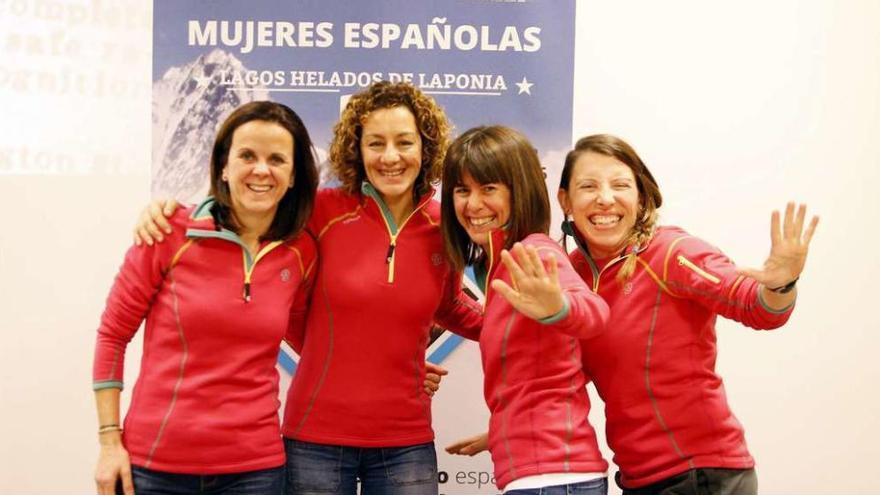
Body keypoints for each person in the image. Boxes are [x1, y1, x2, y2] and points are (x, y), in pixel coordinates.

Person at [131, 81, 484, 495]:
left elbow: (451, 306)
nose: (390, 157)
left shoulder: (445, 226)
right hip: (315, 438)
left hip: (405, 442)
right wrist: (170, 212)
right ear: (357, 149)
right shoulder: (322, 211)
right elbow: (249, 226)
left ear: (426, 148)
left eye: (404, 142)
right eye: (376, 143)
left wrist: (520, 327)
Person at [448, 134, 818, 495]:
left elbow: (755, 306)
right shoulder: (569, 272)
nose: (605, 199)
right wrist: (510, 431)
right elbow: (576, 367)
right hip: (637, 476)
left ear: (640, 196)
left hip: (703, 473)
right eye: (589, 186)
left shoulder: (671, 252)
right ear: (566, 200)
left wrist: (780, 285)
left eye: (620, 185)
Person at [93, 101, 320, 495]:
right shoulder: (168, 233)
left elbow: (313, 342)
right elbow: (113, 335)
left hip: (256, 471)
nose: (261, 170)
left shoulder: (300, 252)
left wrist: (396, 365)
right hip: (155, 467)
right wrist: (109, 443)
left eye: (277, 159)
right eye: (247, 155)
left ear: (293, 174)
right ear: (223, 167)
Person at [440, 126, 611, 494]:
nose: (473, 204)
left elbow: (595, 313)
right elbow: (528, 368)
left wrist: (559, 308)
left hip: (554, 480)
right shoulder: (501, 265)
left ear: (519, 191)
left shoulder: (534, 253)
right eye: (462, 190)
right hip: (544, 475)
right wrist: (501, 433)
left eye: (488, 189)